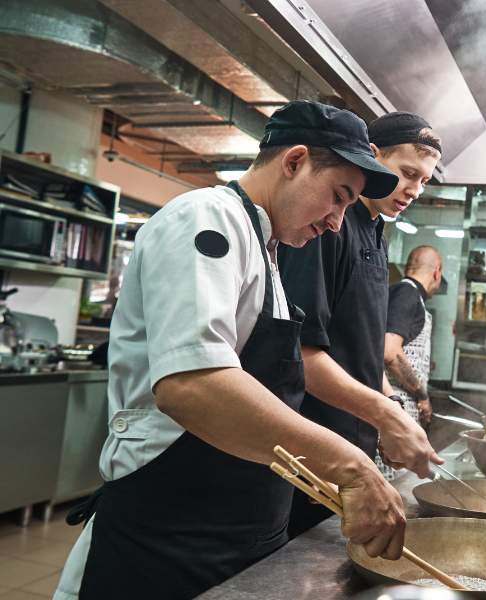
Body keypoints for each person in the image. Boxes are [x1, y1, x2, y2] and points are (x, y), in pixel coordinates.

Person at [55, 101, 409, 600]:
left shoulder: (268, 251)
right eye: (338, 196)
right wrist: (349, 464)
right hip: (165, 541)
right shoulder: (207, 218)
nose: (336, 222)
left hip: (233, 535)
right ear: (294, 161)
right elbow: (194, 385)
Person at [278, 112, 443, 537]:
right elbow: (302, 353)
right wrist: (387, 415)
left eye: (423, 180)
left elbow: (359, 348)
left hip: (353, 446)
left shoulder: (376, 233)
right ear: (373, 157)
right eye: (408, 173)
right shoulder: (324, 227)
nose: (414, 190)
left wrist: (394, 410)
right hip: (312, 448)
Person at [378, 246, 443, 480]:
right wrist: (421, 394)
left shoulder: (402, 292)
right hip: (394, 406)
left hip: (396, 410)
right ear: (436, 272)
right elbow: (389, 352)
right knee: (389, 484)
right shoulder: (407, 294)